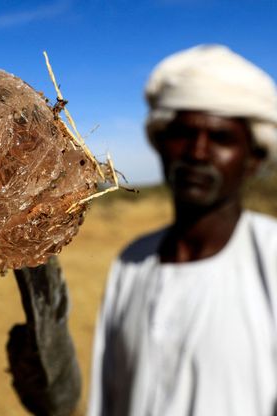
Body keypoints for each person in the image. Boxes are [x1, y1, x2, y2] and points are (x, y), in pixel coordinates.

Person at [88, 44, 277, 416]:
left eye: (221, 138)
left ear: (253, 158)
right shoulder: (132, 262)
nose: (198, 152)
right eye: (183, 134)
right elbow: (106, 393)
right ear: (160, 144)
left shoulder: (271, 257)